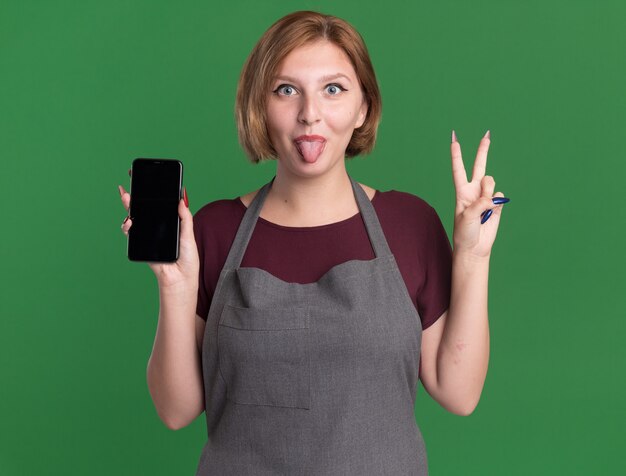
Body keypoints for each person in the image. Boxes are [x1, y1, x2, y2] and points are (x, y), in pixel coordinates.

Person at [118, 10, 507, 475]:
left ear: (363, 107)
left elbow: (458, 392)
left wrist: (473, 254)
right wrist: (174, 286)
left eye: (333, 89)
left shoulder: (410, 224)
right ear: (260, 105)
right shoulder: (213, 230)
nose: (309, 113)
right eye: (287, 90)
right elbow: (175, 410)